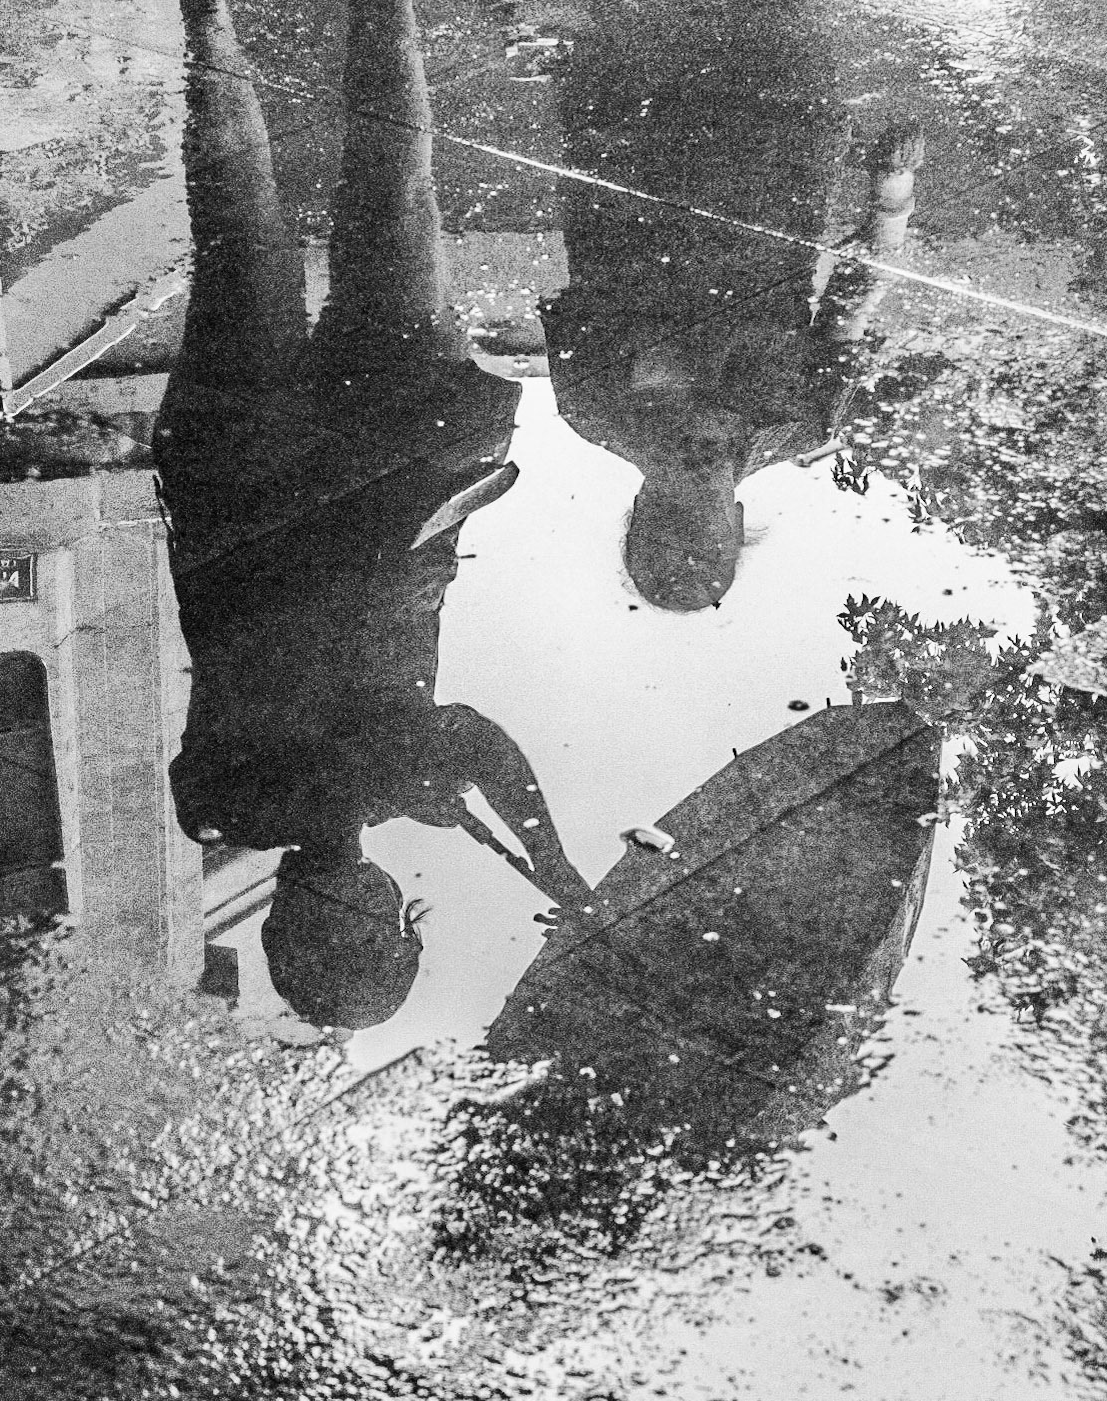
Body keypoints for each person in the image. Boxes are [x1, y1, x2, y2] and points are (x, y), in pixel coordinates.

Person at [155, 0, 589, 1031]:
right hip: (258, 475)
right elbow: (422, 754)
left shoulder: (278, 801)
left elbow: (461, 745)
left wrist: (550, 854)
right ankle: (215, 24)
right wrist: (469, 809)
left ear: (380, 914)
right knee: (252, 224)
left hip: (374, 462)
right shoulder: (226, 809)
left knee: (388, 189)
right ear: (280, 926)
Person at [541, 0, 924, 610]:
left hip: (635, 136)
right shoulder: (804, 422)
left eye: (669, 527)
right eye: (708, 540)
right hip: (780, 150)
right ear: (737, 526)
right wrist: (892, 199)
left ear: (640, 510)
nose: (692, 515)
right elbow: (853, 297)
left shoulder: (594, 408)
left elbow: (587, 251)